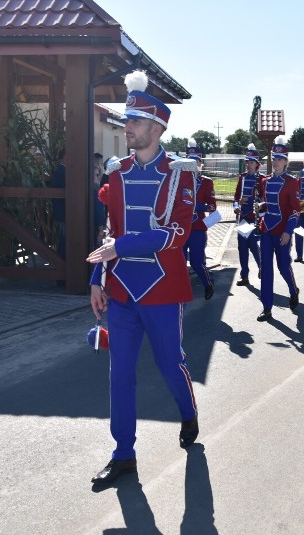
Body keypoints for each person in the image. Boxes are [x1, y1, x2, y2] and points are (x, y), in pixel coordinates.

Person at [85, 69, 199, 486]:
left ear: (156, 127)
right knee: (121, 373)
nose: (126, 128)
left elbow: (176, 234)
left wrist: (120, 249)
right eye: (126, 121)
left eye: (133, 122)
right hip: (120, 289)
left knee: (172, 366)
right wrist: (98, 275)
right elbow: (110, 232)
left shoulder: (181, 174)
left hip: (163, 289)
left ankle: (187, 412)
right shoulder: (115, 172)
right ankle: (123, 454)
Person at [256, 135, 300, 322]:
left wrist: (288, 231)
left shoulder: (291, 182)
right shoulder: (265, 181)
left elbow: (295, 210)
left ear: (286, 162)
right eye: (274, 158)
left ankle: (293, 289)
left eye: (280, 159)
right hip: (267, 230)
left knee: (283, 267)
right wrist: (261, 208)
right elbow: (269, 204)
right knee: (266, 270)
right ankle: (267, 308)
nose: (276, 162)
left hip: (282, 232)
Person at [182, 138, 217, 299]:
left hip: (197, 229)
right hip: (181, 228)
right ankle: (181, 292)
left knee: (197, 262)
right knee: (179, 263)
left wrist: (198, 206)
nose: (193, 165)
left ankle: (208, 284)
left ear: (200, 163)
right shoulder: (180, 182)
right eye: (190, 161)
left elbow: (213, 207)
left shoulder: (206, 182)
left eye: (195, 162)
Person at [232, 144, 262, 286]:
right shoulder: (242, 178)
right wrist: (236, 207)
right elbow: (236, 197)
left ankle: (262, 267)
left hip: (254, 218)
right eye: (247, 162)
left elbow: (264, 200)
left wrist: (249, 200)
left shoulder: (261, 179)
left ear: (257, 164)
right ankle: (244, 275)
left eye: (251, 162)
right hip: (243, 218)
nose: (248, 165)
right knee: (242, 247)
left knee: (252, 246)